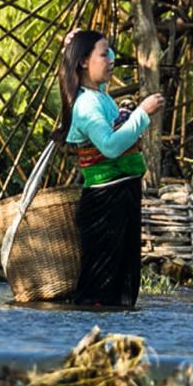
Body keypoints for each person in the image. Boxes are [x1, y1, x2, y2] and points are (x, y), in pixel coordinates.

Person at [58, 29, 165, 308]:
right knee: (101, 285)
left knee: (122, 278)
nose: (112, 60)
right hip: (105, 201)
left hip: (122, 194)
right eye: (104, 54)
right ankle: (94, 341)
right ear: (83, 62)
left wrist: (68, 48)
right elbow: (110, 146)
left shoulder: (100, 95)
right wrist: (142, 113)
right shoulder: (86, 105)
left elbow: (84, 65)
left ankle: (116, 337)